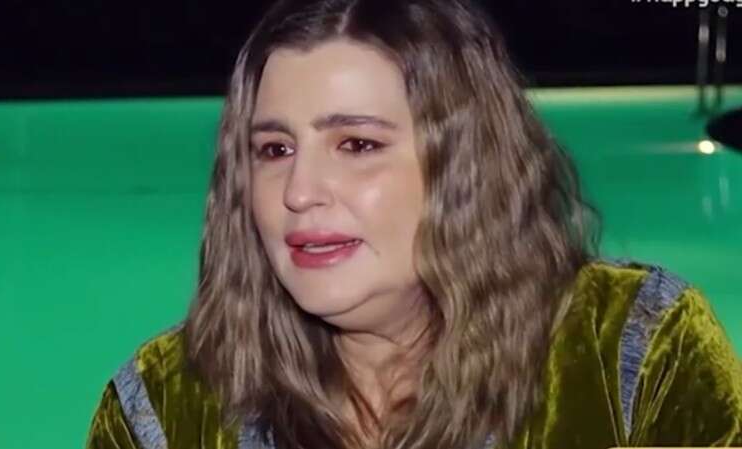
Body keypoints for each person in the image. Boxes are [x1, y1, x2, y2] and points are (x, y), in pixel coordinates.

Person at [85, 1, 742, 448]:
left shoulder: (637, 353)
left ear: (466, 166)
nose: (300, 192)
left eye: (357, 145)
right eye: (274, 149)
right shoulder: (165, 408)